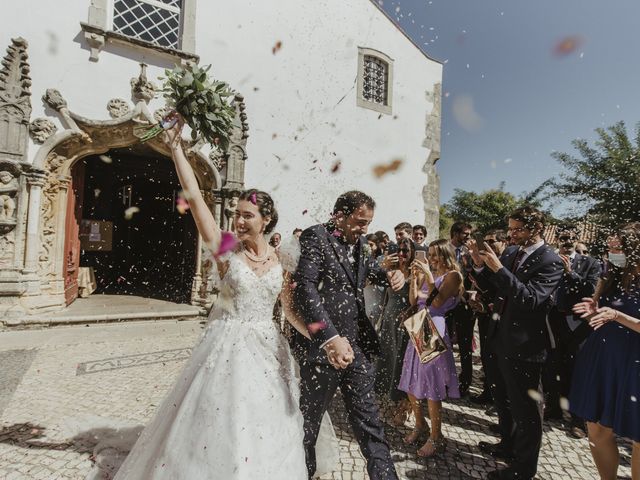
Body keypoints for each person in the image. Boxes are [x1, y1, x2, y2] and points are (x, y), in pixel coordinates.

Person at [113, 118, 308, 479]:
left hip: (268, 348)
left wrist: (321, 338)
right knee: (221, 418)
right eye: (236, 215)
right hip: (228, 347)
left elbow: (290, 312)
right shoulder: (226, 249)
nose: (238, 221)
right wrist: (176, 148)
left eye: (247, 216)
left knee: (263, 420)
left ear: (266, 220)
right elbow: (197, 197)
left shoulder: (282, 261)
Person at [293, 191, 404, 480]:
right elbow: (305, 289)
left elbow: (365, 273)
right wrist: (330, 337)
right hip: (323, 349)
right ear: (339, 215)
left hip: (357, 346)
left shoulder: (363, 243)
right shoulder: (316, 236)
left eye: (368, 223)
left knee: (370, 424)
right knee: (308, 426)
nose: (365, 228)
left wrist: (390, 277)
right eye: (359, 221)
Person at [469, 206, 563, 480]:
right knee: (503, 398)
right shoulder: (512, 252)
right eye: (509, 228)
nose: (510, 234)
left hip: (526, 345)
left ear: (536, 229)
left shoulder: (550, 260)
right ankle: (507, 446)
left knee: (526, 410)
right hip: (500, 337)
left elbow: (531, 299)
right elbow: (497, 287)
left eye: (516, 229)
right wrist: (479, 265)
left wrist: (498, 269)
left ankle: (524, 469)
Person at [570, 222, 640, 480]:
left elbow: (619, 316)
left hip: (635, 362)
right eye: (610, 249)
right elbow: (600, 310)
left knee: (638, 436)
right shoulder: (610, 274)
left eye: (618, 248)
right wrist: (593, 309)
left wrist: (617, 316)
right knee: (597, 428)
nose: (612, 254)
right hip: (604, 357)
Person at [398, 239, 462, 457]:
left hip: (435, 327)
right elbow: (415, 301)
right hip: (419, 325)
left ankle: (437, 438)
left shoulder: (453, 276)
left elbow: (436, 303)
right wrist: (415, 279)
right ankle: (419, 425)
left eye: (435, 255)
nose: (432, 259)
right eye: (430, 255)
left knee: (432, 386)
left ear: (445, 254)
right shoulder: (428, 274)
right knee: (410, 380)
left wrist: (430, 276)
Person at [543, 227, 600, 439]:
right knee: (554, 364)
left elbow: (591, 290)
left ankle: (578, 419)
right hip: (553, 318)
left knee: (577, 368)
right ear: (557, 239)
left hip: (577, 322)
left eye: (571, 238)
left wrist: (570, 273)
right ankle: (555, 407)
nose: (567, 241)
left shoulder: (589, 263)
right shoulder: (550, 260)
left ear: (577, 240)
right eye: (563, 238)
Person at [374, 237, 414, 426]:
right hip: (389, 321)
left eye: (406, 251)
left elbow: (419, 300)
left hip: (406, 325)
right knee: (388, 359)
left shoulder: (416, 272)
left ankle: (403, 407)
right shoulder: (390, 270)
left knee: (401, 363)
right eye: (399, 250)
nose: (401, 254)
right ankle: (388, 400)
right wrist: (385, 266)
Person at [468, 228, 508, 405]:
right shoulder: (486, 261)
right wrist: (477, 265)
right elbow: (485, 286)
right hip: (485, 317)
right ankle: (490, 392)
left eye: (492, 241)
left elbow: (504, 289)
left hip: (505, 319)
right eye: (486, 241)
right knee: (487, 356)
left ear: (504, 242)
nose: (488, 245)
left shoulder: (507, 261)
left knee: (502, 362)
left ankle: (503, 399)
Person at [448, 221, 474, 396]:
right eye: (465, 234)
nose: (468, 237)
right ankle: (445, 380)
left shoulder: (470, 252)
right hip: (445, 303)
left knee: (465, 345)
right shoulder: (444, 249)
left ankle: (465, 383)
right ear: (455, 233)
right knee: (445, 343)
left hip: (464, 304)